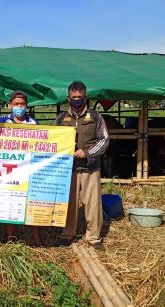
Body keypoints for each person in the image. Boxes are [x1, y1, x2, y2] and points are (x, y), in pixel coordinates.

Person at [0, 90, 42, 246]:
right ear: (10, 106)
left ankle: (35, 235)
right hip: (9, 169)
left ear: (27, 106)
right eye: (16, 104)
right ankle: (10, 237)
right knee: (10, 201)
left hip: (29, 168)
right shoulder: (2, 120)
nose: (19, 107)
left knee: (32, 201)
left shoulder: (34, 124)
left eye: (22, 104)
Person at [54, 81, 109, 251]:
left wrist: (88, 152)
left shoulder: (95, 117)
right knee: (69, 203)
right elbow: (53, 140)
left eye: (79, 97)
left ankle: (93, 237)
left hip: (90, 167)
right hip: (68, 168)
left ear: (85, 97)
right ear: (68, 98)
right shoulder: (61, 118)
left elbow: (104, 140)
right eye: (73, 97)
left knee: (92, 203)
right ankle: (67, 234)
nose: (76, 100)